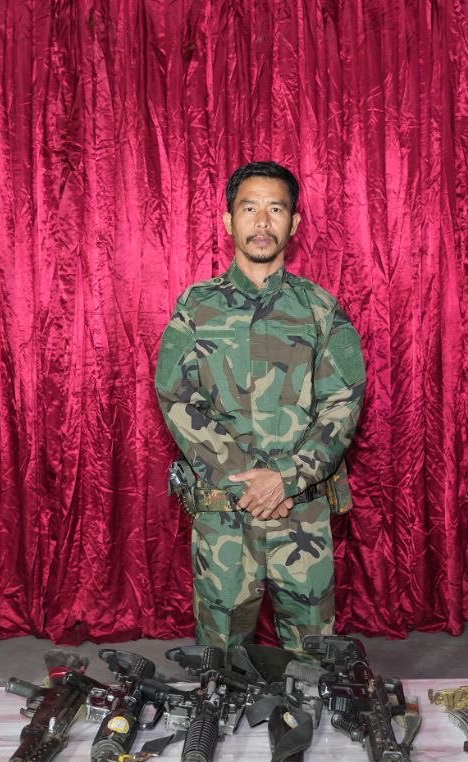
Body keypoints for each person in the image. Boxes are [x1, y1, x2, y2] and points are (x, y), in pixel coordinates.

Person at [155, 161, 366, 652]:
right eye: (249, 208)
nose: (263, 222)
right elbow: (177, 397)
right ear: (229, 221)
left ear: (294, 223)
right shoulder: (196, 307)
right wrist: (246, 481)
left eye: (277, 209)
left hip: (301, 512)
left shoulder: (320, 309)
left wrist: (285, 478)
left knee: (312, 659)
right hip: (224, 515)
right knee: (221, 660)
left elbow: (344, 401)